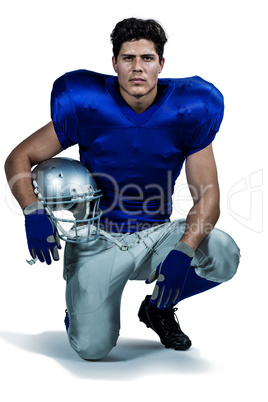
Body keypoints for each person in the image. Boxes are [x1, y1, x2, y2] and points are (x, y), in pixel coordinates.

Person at [5, 18, 240, 361]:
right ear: (114, 63)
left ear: (162, 64)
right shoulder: (87, 105)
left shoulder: (190, 110)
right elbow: (19, 157)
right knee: (92, 349)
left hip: (157, 234)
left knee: (223, 252)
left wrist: (184, 250)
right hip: (98, 238)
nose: (137, 68)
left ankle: (158, 308)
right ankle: (83, 309)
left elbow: (209, 195)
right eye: (128, 58)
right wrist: (32, 210)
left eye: (147, 58)